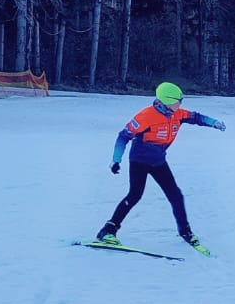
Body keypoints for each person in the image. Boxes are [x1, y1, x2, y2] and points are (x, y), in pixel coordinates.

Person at [94, 82, 226, 253]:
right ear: (166, 101)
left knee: (176, 195)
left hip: (158, 161)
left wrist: (214, 123)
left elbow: (197, 118)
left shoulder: (178, 114)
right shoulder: (146, 116)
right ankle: (107, 231)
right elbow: (123, 137)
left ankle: (185, 232)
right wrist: (116, 160)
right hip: (139, 160)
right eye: (178, 101)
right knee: (135, 195)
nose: (180, 104)